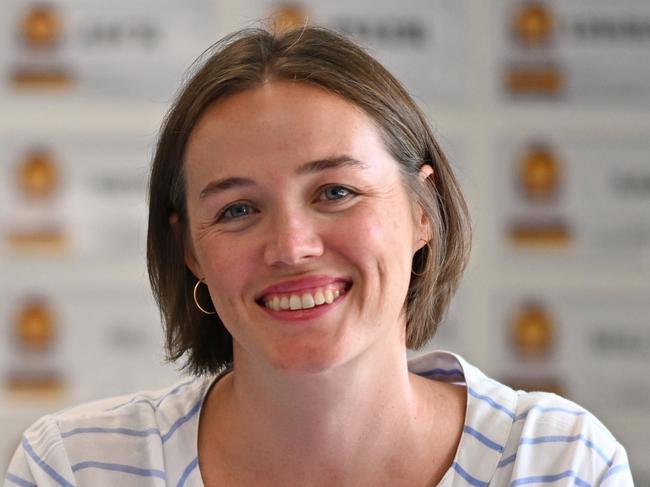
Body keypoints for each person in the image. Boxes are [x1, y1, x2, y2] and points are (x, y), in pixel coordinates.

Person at [5, 26, 633, 487]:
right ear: (189, 250)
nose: (292, 247)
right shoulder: (73, 467)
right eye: (237, 210)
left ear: (423, 210)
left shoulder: (558, 460)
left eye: (335, 192)